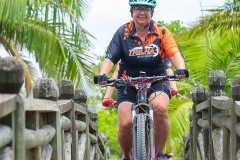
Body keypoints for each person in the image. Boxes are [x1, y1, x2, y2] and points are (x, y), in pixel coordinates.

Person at [96, 0, 188, 159]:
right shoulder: (123, 32)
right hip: (127, 83)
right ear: (132, 11)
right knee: (125, 123)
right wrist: (103, 75)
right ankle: (126, 155)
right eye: (138, 9)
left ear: (152, 12)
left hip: (157, 81)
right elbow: (110, 57)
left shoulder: (161, 31)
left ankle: (159, 153)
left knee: (159, 109)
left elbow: (173, 53)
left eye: (146, 9)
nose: (142, 13)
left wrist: (180, 69)